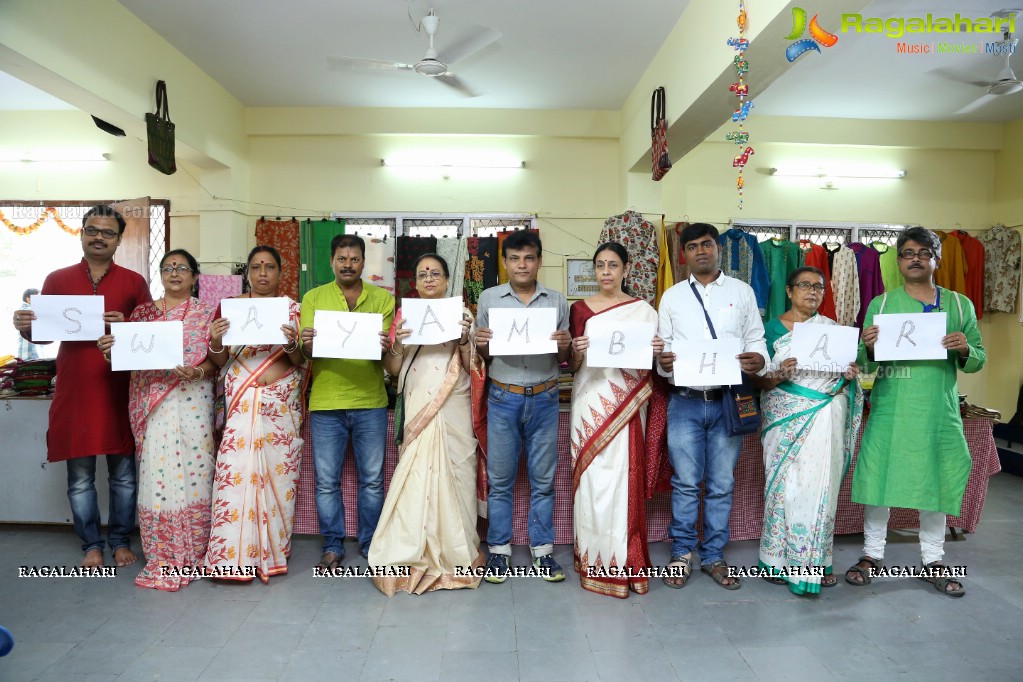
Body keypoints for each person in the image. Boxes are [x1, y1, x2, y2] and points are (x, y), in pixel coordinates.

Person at [845, 227, 985, 598]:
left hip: (937, 410)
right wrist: (869, 346)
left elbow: (978, 360)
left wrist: (964, 349)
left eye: (924, 252)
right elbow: (863, 363)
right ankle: (872, 554)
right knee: (880, 477)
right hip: (892, 408)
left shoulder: (958, 305)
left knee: (935, 479)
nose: (916, 258)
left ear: (936, 259)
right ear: (899, 260)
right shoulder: (883, 304)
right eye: (907, 253)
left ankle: (933, 559)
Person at [12, 205, 151, 568]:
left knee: (123, 476)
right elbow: (41, 335)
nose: (99, 237)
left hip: (120, 392)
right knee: (79, 478)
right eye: (92, 230)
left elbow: (150, 339)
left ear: (119, 239)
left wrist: (125, 327)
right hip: (74, 392)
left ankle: (120, 539)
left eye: (108, 232)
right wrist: (24, 325)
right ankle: (91, 543)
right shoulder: (57, 279)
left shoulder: (134, 282)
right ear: (82, 234)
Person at [656, 222, 768, 590]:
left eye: (707, 244)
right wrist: (664, 364)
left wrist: (759, 360)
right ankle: (681, 554)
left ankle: (715, 556)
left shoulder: (742, 292)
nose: (701, 251)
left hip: (727, 401)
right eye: (693, 247)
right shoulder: (671, 297)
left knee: (721, 484)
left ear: (718, 249)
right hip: (685, 401)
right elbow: (663, 348)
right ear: (684, 254)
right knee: (686, 483)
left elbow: (757, 340)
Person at [98, 249, 217, 590]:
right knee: (157, 475)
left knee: (197, 472)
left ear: (196, 276)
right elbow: (129, 356)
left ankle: (196, 551)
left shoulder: (207, 314)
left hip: (193, 401)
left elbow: (216, 361)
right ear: (160, 275)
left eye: (182, 268)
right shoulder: (143, 314)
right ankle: (163, 552)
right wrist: (111, 348)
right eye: (168, 268)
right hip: (153, 404)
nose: (175, 273)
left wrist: (197, 370)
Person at [370, 253, 484, 595]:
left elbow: (473, 364)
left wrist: (465, 339)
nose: (429, 278)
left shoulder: (462, 315)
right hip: (419, 400)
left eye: (436, 273)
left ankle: (456, 550)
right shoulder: (405, 316)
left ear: (448, 280)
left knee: (458, 472)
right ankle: (411, 548)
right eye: (422, 274)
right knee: (417, 473)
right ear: (415, 283)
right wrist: (399, 344)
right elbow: (392, 369)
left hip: (454, 405)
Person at [750, 266, 863, 596]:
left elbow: (843, 378)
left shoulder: (833, 330)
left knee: (820, 490)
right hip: (785, 420)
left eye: (819, 287)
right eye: (804, 286)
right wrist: (776, 375)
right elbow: (757, 379)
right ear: (789, 290)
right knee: (784, 487)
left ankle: (817, 562)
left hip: (825, 419)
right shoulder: (770, 330)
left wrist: (850, 373)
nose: (812, 292)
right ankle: (774, 559)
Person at [202, 246, 308, 583]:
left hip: (279, 404)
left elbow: (301, 362)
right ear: (247, 272)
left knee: (277, 475)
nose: (263, 273)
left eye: (270, 267)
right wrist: (216, 341)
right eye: (256, 267)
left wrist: (293, 345)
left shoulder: (293, 310)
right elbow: (218, 361)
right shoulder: (230, 309)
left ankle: (272, 553)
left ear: (280, 272)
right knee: (236, 473)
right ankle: (231, 557)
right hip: (242, 401)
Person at [475, 229, 572, 583]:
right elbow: (483, 356)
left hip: (546, 397)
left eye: (528, 258)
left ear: (539, 261)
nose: (521, 265)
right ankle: (499, 550)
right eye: (514, 258)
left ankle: (542, 551)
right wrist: (481, 343)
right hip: (503, 396)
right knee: (501, 480)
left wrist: (565, 344)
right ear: (504, 263)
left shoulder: (557, 301)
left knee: (543, 480)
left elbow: (565, 359)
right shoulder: (489, 299)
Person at [568, 242, 663, 598]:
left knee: (622, 478)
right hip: (590, 400)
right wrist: (574, 353)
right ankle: (592, 556)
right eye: (599, 265)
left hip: (626, 403)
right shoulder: (579, 309)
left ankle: (624, 557)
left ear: (626, 269)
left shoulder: (642, 311)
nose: (605, 272)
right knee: (592, 480)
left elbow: (649, 365)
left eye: (612, 265)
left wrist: (655, 353)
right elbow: (574, 365)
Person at [300, 234, 395, 570]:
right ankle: (332, 544)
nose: (348, 264)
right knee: (327, 481)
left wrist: (384, 344)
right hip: (326, 403)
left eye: (354, 259)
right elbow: (306, 351)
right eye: (342, 258)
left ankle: (370, 544)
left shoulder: (383, 299)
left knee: (373, 480)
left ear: (363, 262)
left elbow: (382, 352)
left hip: (370, 401)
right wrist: (307, 343)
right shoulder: (313, 298)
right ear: (332, 261)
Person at [17, 288, 40, 360]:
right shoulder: (30, 310)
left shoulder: (21, 309)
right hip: (30, 347)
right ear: (28, 299)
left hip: (24, 346)